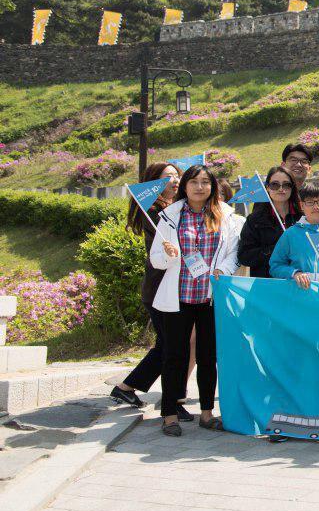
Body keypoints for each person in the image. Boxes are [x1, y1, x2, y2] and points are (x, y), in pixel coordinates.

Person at [149, 164, 243, 436]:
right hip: (178, 297)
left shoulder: (225, 216)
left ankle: (206, 413)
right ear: (184, 186)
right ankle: (169, 415)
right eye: (194, 182)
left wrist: (222, 269)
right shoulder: (170, 216)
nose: (200, 187)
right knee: (174, 356)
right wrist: (168, 253)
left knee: (208, 356)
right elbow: (156, 259)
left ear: (212, 186)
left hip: (209, 298)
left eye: (205, 182)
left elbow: (234, 252)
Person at [111, 163, 182, 413]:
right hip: (159, 286)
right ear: (154, 182)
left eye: (177, 175)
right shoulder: (154, 212)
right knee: (168, 344)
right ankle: (127, 387)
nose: (174, 180)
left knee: (168, 343)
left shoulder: (172, 208)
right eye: (167, 177)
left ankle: (128, 387)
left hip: (170, 286)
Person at [237, 165, 301, 277]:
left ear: (292, 188)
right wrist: (274, 249)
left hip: (299, 283)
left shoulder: (303, 216)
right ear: (267, 187)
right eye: (275, 185)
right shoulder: (255, 220)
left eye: (286, 185)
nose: (281, 189)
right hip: (266, 284)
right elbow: (244, 256)